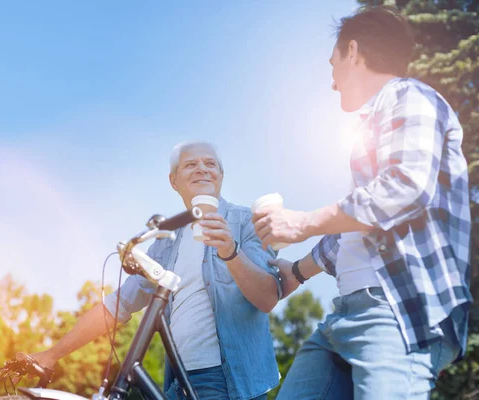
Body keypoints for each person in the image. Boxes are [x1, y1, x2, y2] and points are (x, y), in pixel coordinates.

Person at [252, 6, 472, 400]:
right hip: (343, 319)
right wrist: (297, 273)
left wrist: (301, 222)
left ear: (353, 51)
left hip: (396, 310)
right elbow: (360, 228)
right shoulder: (375, 123)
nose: (332, 80)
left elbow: (405, 188)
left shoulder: (412, 97)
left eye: (333, 61)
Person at [31, 141, 282, 400]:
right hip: (179, 382)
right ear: (174, 181)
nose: (202, 169)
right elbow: (118, 304)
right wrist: (52, 354)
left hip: (229, 382)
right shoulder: (166, 241)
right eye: (190, 164)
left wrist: (230, 250)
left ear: (221, 175)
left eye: (210, 164)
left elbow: (267, 297)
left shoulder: (246, 222)